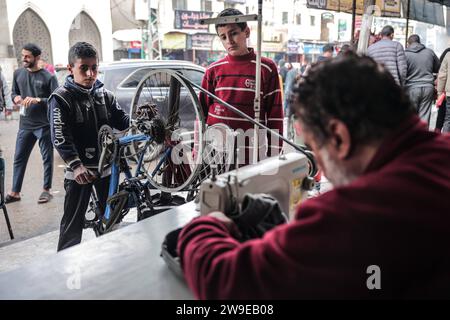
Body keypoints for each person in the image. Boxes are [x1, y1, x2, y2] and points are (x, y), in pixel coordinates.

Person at [177, 54, 450, 299]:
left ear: (339, 137)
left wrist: (206, 226)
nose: (320, 166)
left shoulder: (356, 213)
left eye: (316, 148)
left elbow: (229, 282)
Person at [48, 42, 129, 251]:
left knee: (111, 220)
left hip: (106, 171)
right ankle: (65, 273)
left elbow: (123, 121)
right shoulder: (61, 98)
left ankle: (110, 263)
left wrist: (144, 120)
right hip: (79, 173)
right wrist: (76, 166)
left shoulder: (105, 95)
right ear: (70, 69)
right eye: (83, 68)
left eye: (94, 67)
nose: (90, 73)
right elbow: (59, 136)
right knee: (72, 228)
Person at [199, 8, 283, 166]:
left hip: (250, 153)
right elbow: (201, 113)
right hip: (215, 153)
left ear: (247, 31)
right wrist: (198, 150)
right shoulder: (213, 70)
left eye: (234, 33)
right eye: (223, 37)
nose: (229, 41)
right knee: (214, 190)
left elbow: (275, 115)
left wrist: (274, 154)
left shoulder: (265, 68)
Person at [5, 43, 58, 204]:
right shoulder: (18, 74)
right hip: (25, 125)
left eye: (27, 56)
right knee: (19, 158)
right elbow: (14, 92)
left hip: (43, 125)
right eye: (23, 56)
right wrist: (15, 98)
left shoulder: (48, 77)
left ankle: (46, 190)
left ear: (37, 57)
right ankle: (15, 192)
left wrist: (38, 100)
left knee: (47, 159)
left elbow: (55, 99)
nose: (24, 59)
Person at [404, 34, 440, 125]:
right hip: (428, 88)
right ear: (420, 42)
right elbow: (438, 67)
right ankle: (423, 138)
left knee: (411, 117)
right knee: (424, 117)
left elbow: (402, 71)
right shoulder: (430, 52)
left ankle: (413, 138)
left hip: (411, 88)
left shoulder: (405, 54)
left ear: (409, 43)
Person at [437, 47, 450, 133]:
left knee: (448, 119)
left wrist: (440, 92)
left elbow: (442, 76)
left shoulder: (448, 55)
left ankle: (446, 144)